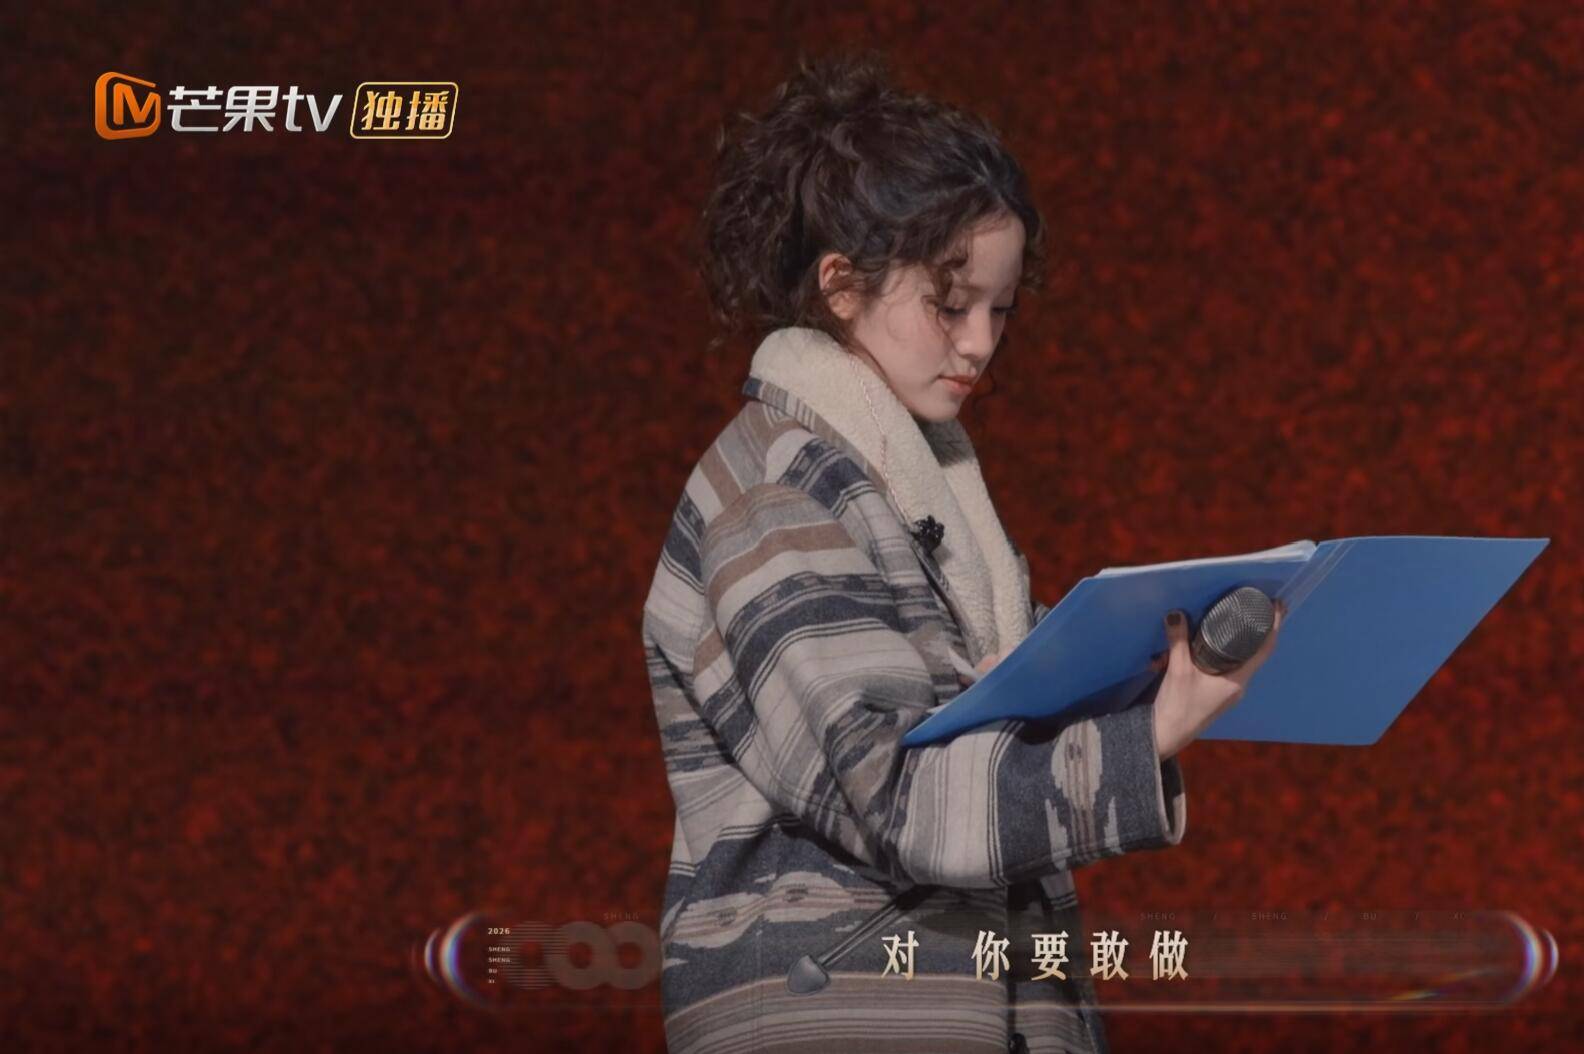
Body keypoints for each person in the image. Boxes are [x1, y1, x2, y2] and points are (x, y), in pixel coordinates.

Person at [641, 49, 1284, 1054]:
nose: (980, 343)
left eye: (1000, 308)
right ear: (840, 285)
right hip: (837, 1014)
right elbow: (895, 800)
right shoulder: (776, 496)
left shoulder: (912, 485)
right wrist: (1147, 733)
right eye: (950, 304)